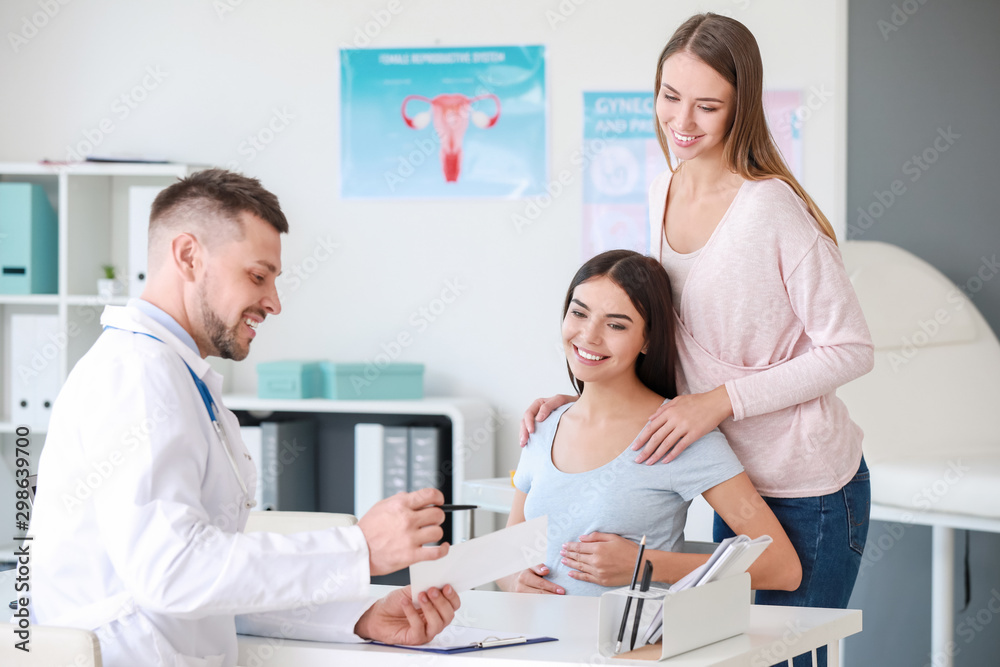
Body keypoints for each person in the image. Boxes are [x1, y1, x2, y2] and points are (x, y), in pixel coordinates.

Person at [520, 13, 873, 666]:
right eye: (669, 96)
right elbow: (669, 342)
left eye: (707, 105)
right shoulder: (664, 188)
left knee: (785, 660)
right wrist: (582, 401)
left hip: (807, 489)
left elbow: (850, 348)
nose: (681, 122)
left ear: (741, 109)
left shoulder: (771, 209)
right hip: (721, 477)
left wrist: (719, 402)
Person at [28, 169, 459, 667]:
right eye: (258, 276)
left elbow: (214, 584)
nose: (274, 302)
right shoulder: (137, 376)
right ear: (188, 256)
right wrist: (357, 547)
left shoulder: (177, 376)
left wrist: (357, 616)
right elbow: (172, 573)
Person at [498, 250, 801, 597]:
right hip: (538, 645)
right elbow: (509, 555)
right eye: (579, 313)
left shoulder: (674, 433)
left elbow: (781, 566)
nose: (590, 335)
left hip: (631, 649)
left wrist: (645, 565)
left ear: (647, 340)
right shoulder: (543, 423)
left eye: (616, 324)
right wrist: (514, 581)